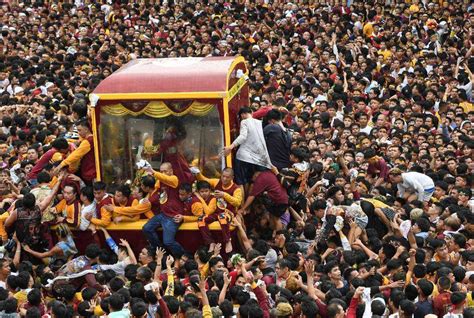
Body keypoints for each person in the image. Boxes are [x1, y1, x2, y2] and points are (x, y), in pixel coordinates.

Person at [142, 163, 186, 257]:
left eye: (165, 171)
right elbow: (155, 191)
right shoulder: (160, 181)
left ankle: (183, 256)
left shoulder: (174, 179)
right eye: (161, 171)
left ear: (171, 171)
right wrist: (148, 199)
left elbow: (167, 179)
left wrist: (153, 172)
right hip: (163, 214)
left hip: (173, 216)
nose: (163, 173)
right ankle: (162, 253)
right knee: (147, 229)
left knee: (168, 242)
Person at [222, 107, 273, 186]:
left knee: (240, 181)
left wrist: (230, 147)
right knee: (251, 180)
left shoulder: (244, 122)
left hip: (244, 155)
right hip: (259, 156)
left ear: (242, 115)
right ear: (252, 112)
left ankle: (241, 198)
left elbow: (243, 136)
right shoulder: (259, 122)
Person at [53, 119, 96, 184]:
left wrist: (61, 165)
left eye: (79, 130)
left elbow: (76, 154)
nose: (78, 133)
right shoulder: (86, 139)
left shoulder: (88, 141)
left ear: (86, 130)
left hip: (91, 171)